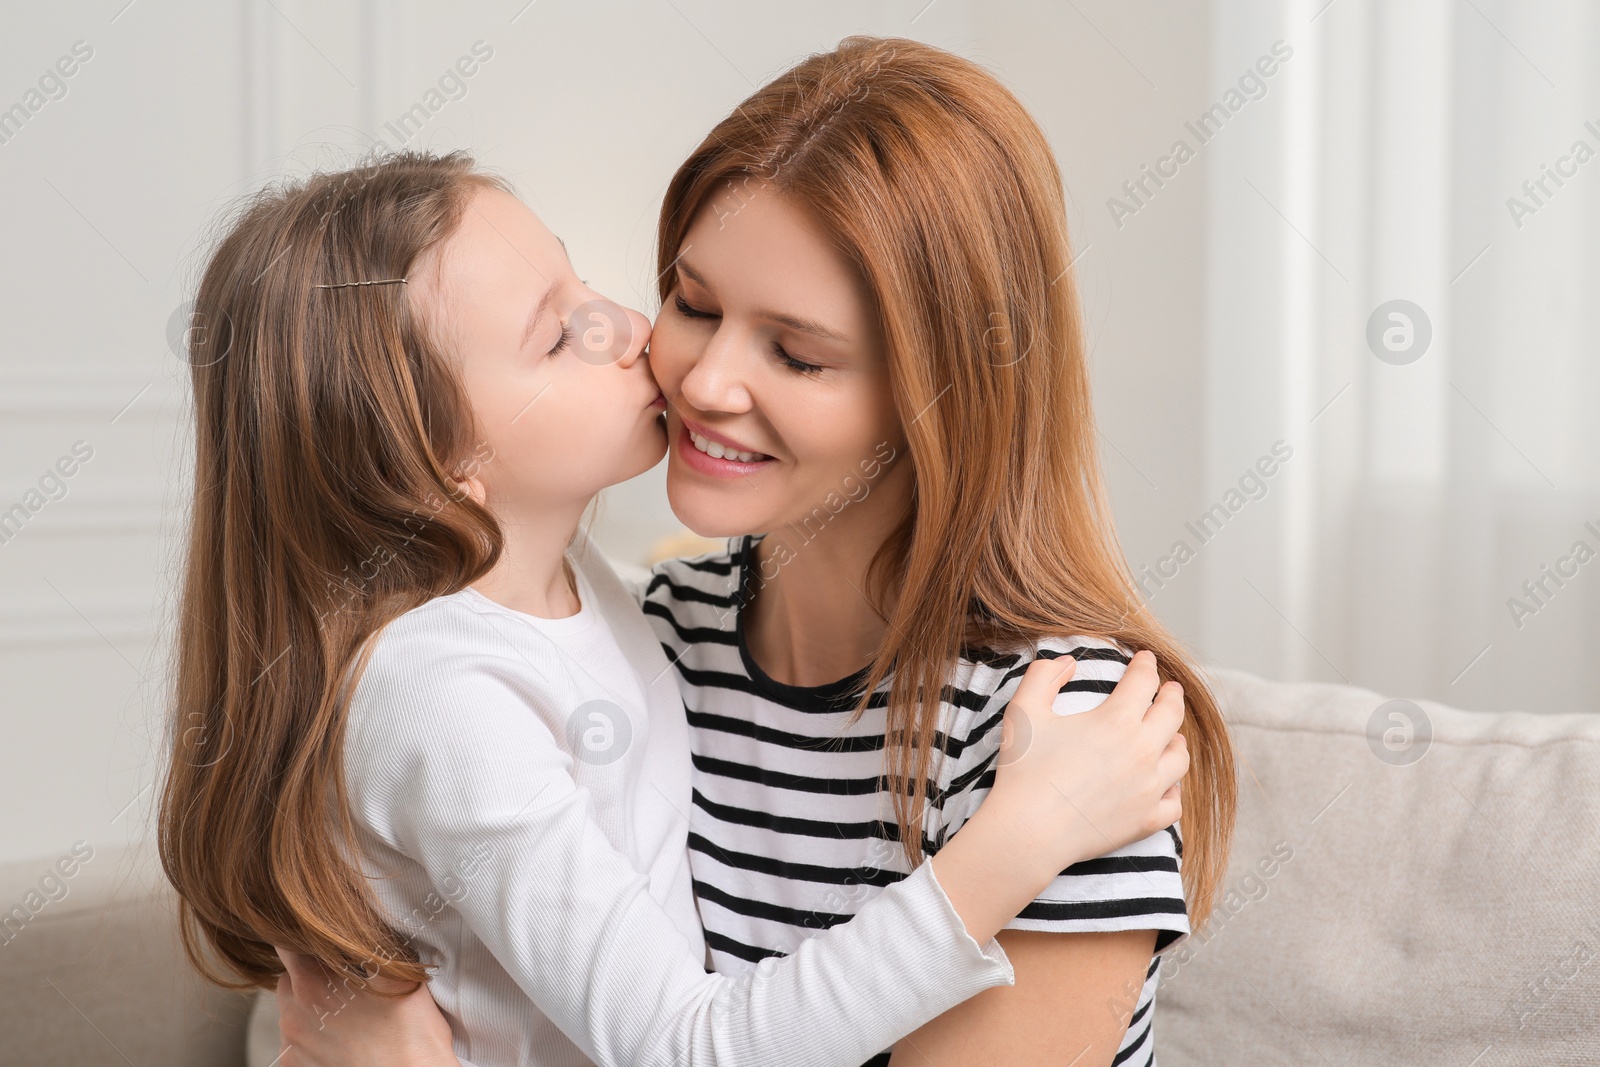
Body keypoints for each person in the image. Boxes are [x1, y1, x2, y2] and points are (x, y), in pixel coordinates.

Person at [157, 146, 1191, 1067]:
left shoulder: (1062, 737)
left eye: (795, 351)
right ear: (432, 467)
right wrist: (1013, 845)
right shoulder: (593, 647)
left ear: (939, 395)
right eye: (692, 302)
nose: (687, 369)